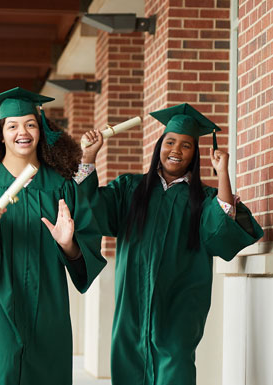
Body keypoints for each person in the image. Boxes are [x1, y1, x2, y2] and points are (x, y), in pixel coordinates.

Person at [78, 103, 263, 385]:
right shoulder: (131, 188)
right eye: (170, 141)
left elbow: (222, 229)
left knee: (175, 364)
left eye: (186, 145)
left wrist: (222, 171)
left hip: (180, 302)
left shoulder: (203, 198)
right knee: (128, 361)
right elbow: (91, 209)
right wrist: (89, 156)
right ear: (159, 146)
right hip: (132, 299)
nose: (176, 150)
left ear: (194, 154)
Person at [0, 87, 106, 385]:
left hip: (48, 304)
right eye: (12, 125)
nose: (22, 132)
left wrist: (69, 245)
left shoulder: (61, 186)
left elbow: (88, 240)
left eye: (30, 124)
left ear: (41, 130)